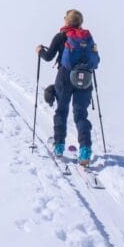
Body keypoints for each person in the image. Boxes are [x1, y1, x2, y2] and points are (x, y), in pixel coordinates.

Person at [37, 9, 99, 165]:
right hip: (85, 78)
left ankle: (58, 146)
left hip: (64, 77)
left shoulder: (61, 36)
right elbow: (95, 59)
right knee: (80, 114)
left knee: (62, 111)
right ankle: (85, 150)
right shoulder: (87, 37)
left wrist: (39, 51)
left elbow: (49, 56)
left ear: (67, 21)